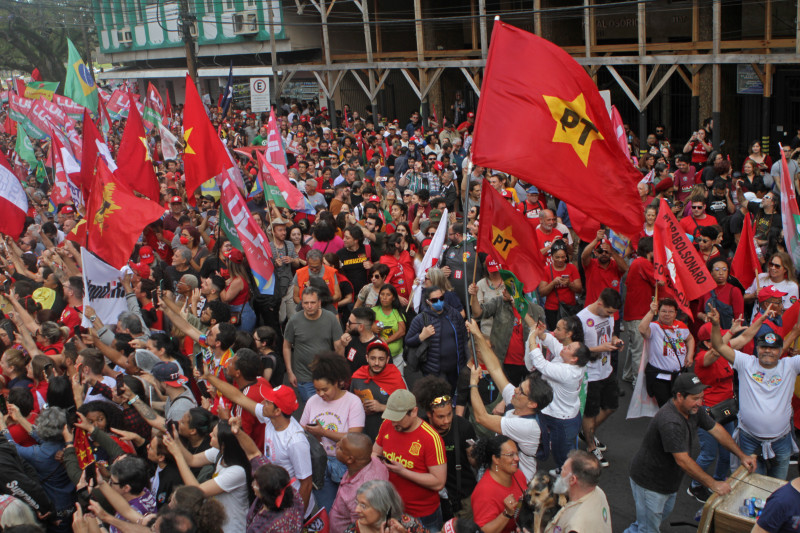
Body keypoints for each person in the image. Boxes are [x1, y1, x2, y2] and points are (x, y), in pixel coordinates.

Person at [624, 373, 756, 533]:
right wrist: (713, 484)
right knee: (648, 529)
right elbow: (683, 461)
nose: (700, 402)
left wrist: (742, 455)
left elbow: (717, 430)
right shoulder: (670, 421)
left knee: (650, 521)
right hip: (650, 484)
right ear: (679, 396)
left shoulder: (694, 409)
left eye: (701, 397)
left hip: (668, 483)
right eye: (695, 398)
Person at [708, 306, 800, 480]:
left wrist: (795, 332)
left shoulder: (790, 365)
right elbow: (719, 345)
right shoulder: (746, 363)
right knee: (751, 487)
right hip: (749, 440)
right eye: (764, 347)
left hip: (781, 441)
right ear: (757, 348)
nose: (768, 351)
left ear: (780, 351)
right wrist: (715, 324)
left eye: (773, 348)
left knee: (776, 486)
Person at [466, 319, 553, 481]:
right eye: (520, 386)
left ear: (532, 404)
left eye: (521, 391)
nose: (515, 390)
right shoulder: (519, 401)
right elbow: (495, 369)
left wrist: (473, 384)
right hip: (504, 472)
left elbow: (481, 417)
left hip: (516, 481)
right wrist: (478, 334)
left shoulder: (526, 426)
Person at [373, 389, 447, 531]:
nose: (394, 423)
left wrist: (403, 472)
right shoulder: (387, 424)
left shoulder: (431, 438)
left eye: (398, 418)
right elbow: (374, 453)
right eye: (391, 417)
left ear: (413, 412)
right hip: (392, 510)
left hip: (423, 515)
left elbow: (438, 482)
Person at [299, 353, 365, 510]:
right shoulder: (312, 401)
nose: (321, 394)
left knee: (349, 508)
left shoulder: (353, 402)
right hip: (319, 463)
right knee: (326, 509)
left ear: (338, 382)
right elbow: (301, 429)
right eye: (316, 390)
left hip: (344, 464)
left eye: (325, 389)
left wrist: (323, 432)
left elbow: (354, 437)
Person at [163, 419, 252, 533]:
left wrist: (177, 454)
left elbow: (196, 491)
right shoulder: (219, 453)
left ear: (223, 444)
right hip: (219, 525)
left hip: (232, 528)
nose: (209, 435)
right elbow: (192, 460)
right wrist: (177, 441)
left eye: (214, 435)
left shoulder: (237, 472)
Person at [526, 320, 593, 469]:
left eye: (568, 347)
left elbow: (541, 364)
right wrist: (543, 336)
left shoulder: (568, 372)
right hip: (558, 414)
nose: (564, 347)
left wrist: (532, 339)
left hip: (561, 421)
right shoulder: (570, 360)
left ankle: (567, 483)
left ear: (574, 358)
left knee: (562, 456)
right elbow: (556, 345)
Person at [413, 376, 477, 521]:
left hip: (463, 499)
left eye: (449, 414)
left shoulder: (463, 427)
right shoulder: (420, 429)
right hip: (432, 501)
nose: (447, 420)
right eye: (441, 417)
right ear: (429, 414)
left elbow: (475, 462)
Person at [578, 289, 623, 467]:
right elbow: (576, 349)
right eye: (609, 311)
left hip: (607, 369)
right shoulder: (581, 319)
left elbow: (612, 334)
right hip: (590, 374)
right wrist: (599, 348)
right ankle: (590, 446)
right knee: (590, 412)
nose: (611, 315)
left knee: (612, 406)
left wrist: (615, 341)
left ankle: (587, 431)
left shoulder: (609, 316)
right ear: (599, 303)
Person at [283, 286, 344, 401]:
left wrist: (340, 372)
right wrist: (290, 372)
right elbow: (286, 346)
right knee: (315, 412)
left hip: (328, 375)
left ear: (319, 302)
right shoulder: (294, 321)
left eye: (312, 302)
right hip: (304, 377)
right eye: (306, 303)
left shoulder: (330, 318)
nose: (309, 306)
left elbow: (338, 347)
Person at [405, 286, 468, 390]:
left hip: (456, 369)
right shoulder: (420, 319)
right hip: (434, 371)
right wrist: (421, 336)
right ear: (428, 301)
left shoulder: (454, 314)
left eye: (441, 298)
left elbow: (464, 338)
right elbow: (408, 341)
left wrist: (468, 361)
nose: (439, 302)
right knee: (438, 400)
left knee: (455, 399)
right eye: (434, 300)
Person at [638, 298, 694, 407]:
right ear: (658, 312)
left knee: (680, 406)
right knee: (666, 407)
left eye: (670, 311)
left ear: (675, 313)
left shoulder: (681, 326)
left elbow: (690, 339)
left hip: (679, 376)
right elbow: (642, 329)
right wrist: (650, 311)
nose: (667, 314)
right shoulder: (654, 327)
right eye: (663, 311)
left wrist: (690, 355)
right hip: (660, 378)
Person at [330, 432, 390, 533]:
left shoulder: (359, 493)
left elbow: (361, 527)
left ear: (350, 459)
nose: (337, 445)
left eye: (341, 448)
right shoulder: (377, 462)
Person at [350, 341, 407, 440]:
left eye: (381, 359)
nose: (376, 363)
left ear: (387, 359)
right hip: (363, 433)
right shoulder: (357, 376)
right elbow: (350, 404)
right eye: (373, 358)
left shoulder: (394, 378)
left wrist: (381, 407)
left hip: (389, 434)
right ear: (367, 358)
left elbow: (406, 410)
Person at [545, 450, 612, 533]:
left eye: (564, 469)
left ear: (572, 479)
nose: (561, 471)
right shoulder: (599, 492)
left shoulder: (574, 525)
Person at [470, 435, 527, 533]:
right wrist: (506, 514)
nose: (517, 458)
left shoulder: (518, 475)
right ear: (496, 459)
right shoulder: (484, 492)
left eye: (517, 454)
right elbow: (482, 530)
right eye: (510, 455)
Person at [345, 479, 428, 533]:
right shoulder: (353, 530)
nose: (356, 510)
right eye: (357, 503)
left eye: (363, 506)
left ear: (383, 508)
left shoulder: (408, 524)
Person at [246, 463, 305, 533]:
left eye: (256, 484)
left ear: (267, 493)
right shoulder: (292, 496)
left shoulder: (280, 527)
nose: (252, 485)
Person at [371, 283, 407, 371]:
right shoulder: (373, 311)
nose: (384, 297)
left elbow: (402, 331)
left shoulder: (398, 312)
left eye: (388, 295)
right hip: (378, 356)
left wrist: (385, 342)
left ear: (394, 297)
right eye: (382, 294)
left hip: (396, 355)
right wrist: (372, 328)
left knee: (399, 380)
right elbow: (364, 327)